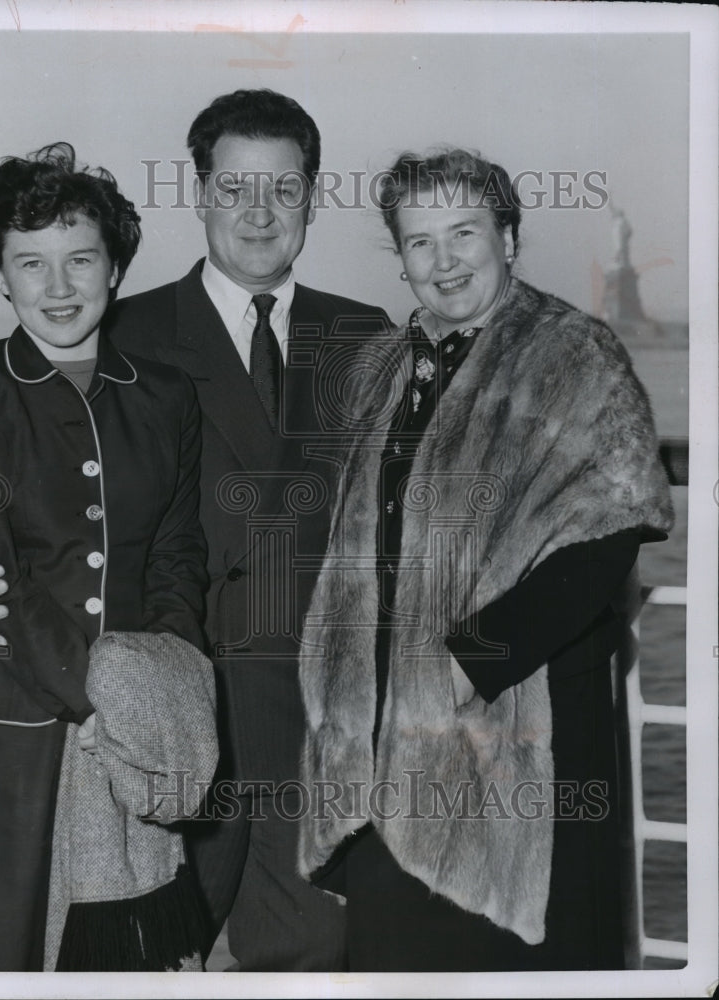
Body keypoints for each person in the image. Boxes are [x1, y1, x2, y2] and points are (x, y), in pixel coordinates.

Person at [0, 91, 391, 971]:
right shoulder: (123, 330)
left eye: (283, 189)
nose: (258, 212)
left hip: (300, 711)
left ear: (313, 198)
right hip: (159, 707)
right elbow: (18, 509)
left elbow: (394, 533)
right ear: (199, 193)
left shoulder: (366, 338)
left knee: (313, 948)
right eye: (235, 185)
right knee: (130, 948)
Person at [296, 148, 674, 971]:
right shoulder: (386, 365)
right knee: (397, 958)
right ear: (399, 257)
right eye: (419, 241)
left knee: (506, 958)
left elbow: (612, 533)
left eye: (463, 232)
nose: (443, 260)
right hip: (383, 729)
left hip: (515, 724)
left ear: (507, 234)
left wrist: (473, 662)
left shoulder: (571, 353)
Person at [0, 143, 209, 971]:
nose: (59, 287)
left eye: (81, 260)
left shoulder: (168, 395)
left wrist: (161, 693)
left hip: (136, 728)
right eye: (31, 264)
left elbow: (178, 558)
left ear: (115, 269)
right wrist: (100, 702)